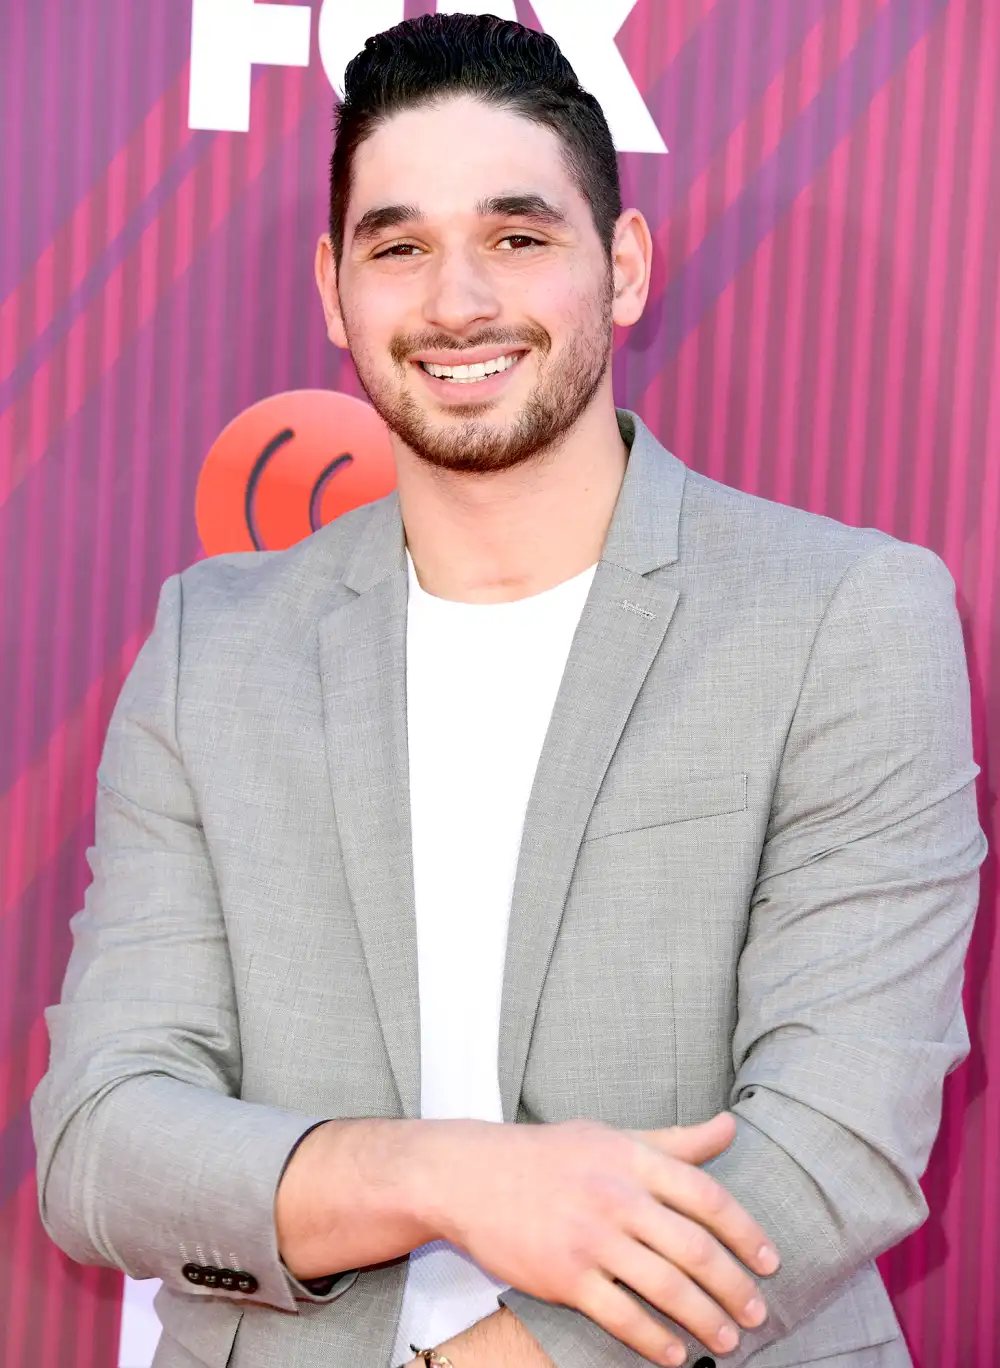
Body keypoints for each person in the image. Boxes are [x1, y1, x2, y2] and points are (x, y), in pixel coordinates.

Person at [31, 13, 986, 1368]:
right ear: (332, 288)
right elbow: (104, 1140)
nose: (457, 301)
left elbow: (831, 1142)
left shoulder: (842, 616)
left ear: (626, 265)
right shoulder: (216, 643)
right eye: (400, 243)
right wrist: (444, 1175)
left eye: (519, 237)